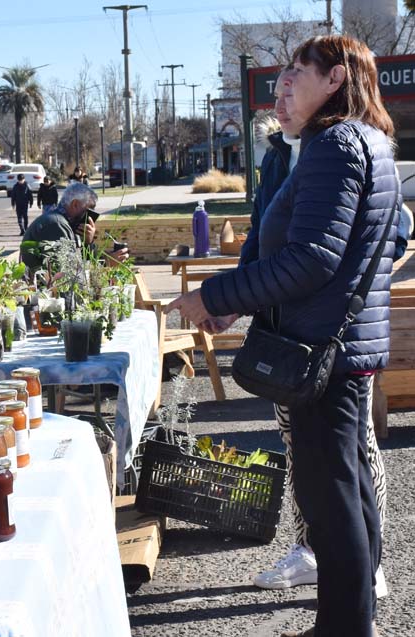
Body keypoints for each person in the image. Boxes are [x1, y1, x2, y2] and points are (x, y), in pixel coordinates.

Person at [169, 35, 398, 637]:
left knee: (330, 502)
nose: (284, 82)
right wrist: (234, 305)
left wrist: (211, 298)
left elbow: (310, 260)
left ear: (337, 80)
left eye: (300, 70)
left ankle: (344, 627)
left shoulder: (334, 146)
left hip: (323, 351)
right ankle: (354, 622)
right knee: (347, 490)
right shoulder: (365, 141)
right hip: (339, 348)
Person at [245, 70, 389, 599]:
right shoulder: (279, 156)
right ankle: (317, 550)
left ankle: (363, 566)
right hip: (287, 331)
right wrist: (242, 298)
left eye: (290, 88)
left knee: (353, 456)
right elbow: (262, 232)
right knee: (300, 447)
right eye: (276, 94)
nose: (280, 101)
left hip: (337, 335)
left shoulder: (347, 148)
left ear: (328, 87)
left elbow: (382, 231)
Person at [20, 182, 128, 274]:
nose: (90, 217)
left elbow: (78, 262)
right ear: (75, 204)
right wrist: (106, 263)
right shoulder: (56, 224)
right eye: (88, 210)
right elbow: (68, 273)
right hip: (44, 293)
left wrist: (88, 242)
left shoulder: (64, 223)